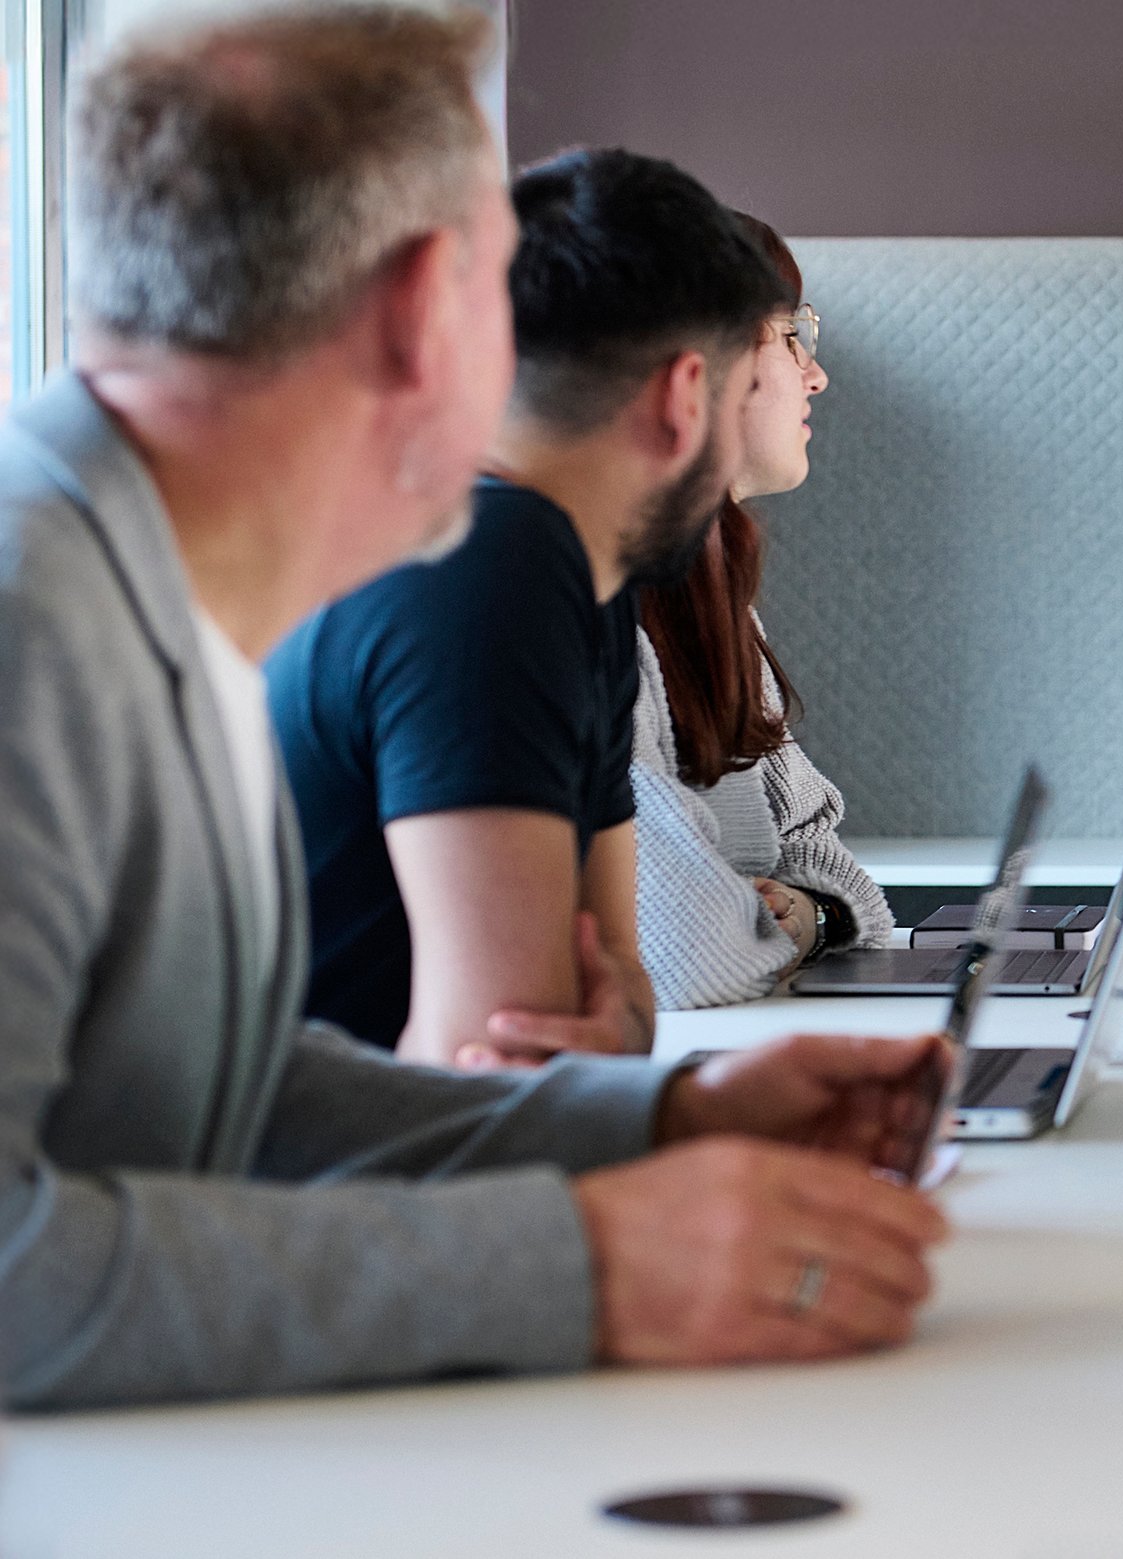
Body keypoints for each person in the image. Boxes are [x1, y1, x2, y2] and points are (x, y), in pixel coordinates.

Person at [0, 4, 946, 1411]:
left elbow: (220, 1096)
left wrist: (657, 1114)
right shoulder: (33, 620)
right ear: (422, 307)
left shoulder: (150, 588)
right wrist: (586, 1260)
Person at [268, 147, 780, 1066]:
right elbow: (499, 1059)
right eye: (749, 391)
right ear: (686, 396)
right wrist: (603, 1028)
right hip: (313, 1190)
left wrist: (614, 1020)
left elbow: (619, 988)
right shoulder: (489, 564)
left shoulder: (582, 578)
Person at [631, 215, 895, 1008]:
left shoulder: (719, 600)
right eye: (790, 337)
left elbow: (828, 859)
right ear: (698, 370)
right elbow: (685, 956)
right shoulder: (589, 611)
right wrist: (767, 919)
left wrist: (810, 915)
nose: (816, 376)